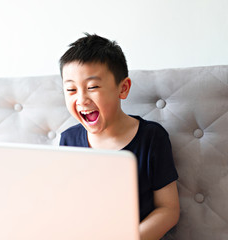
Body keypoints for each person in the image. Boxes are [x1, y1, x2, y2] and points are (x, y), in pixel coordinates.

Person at [59, 33, 180, 240]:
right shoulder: (67, 140)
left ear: (122, 88)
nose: (81, 99)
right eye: (71, 89)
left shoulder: (152, 137)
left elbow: (168, 210)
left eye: (92, 87)